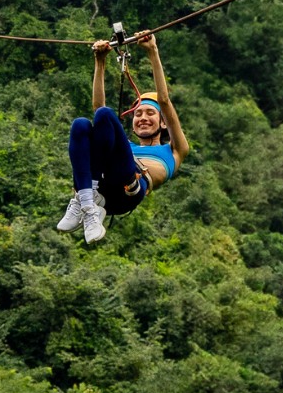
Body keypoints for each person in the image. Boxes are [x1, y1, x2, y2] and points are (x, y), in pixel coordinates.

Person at [57, 31, 189, 243]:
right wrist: (99, 61)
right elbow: (97, 106)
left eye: (149, 113)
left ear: (163, 122)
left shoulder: (175, 150)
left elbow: (163, 100)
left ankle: (88, 201)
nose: (142, 117)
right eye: (138, 114)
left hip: (128, 189)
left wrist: (153, 52)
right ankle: (86, 204)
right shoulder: (125, 145)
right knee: (81, 125)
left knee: (105, 114)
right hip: (102, 186)